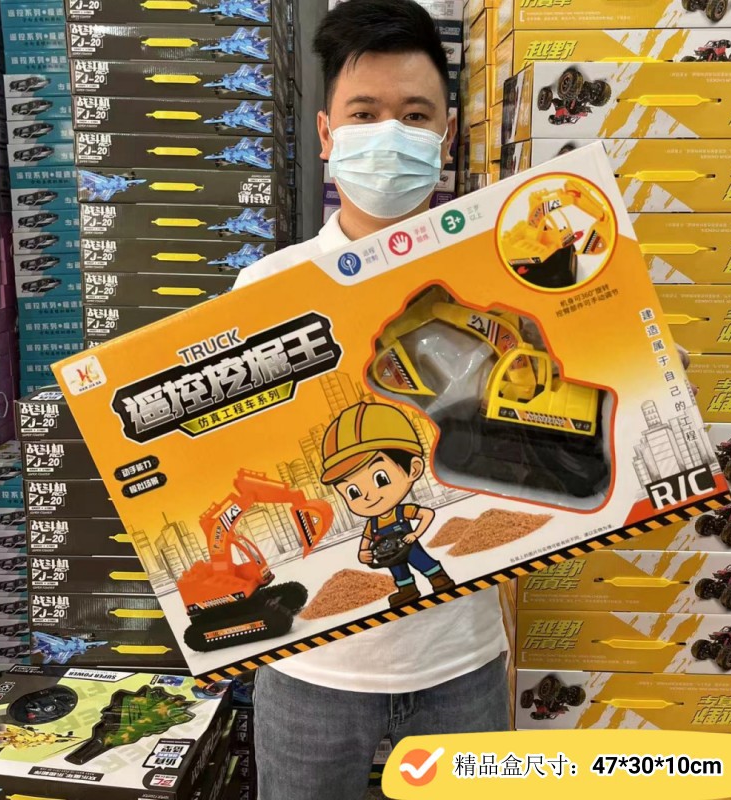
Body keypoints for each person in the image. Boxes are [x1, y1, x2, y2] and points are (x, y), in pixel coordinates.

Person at [232, 1, 510, 797]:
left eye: (415, 115)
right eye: (365, 113)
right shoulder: (266, 291)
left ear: (445, 136)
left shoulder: (493, 278)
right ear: (327, 134)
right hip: (312, 670)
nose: (390, 134)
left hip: (462, 661)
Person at [320, 401, 455, 607]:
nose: (366, 496)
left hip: (408, 546)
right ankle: (407, 589)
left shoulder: (402, 511)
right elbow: (366, 539)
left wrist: (415, 534)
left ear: (413, 469)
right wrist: (363, 553)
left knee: (421, 560)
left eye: (380, 479)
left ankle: (438, 577)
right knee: (398, 571)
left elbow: (426, 514)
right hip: (388, 553)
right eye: (352, 492)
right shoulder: (372, 523)